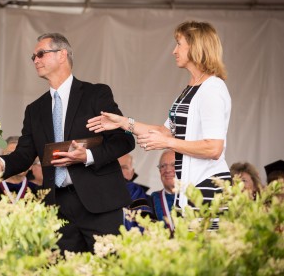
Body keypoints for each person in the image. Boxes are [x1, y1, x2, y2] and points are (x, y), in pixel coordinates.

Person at [0, 33, 134, 253]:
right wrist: (0, 163)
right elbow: (24, 155)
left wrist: (88, 156)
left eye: (41, 54)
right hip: (58, 206)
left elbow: (124, 140)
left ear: (63, 54)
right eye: (33, 57)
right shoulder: (35, 109)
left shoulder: (96, 94)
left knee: (108, 267)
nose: (35, 60)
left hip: (100, 202)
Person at [87, 21, 232, 229]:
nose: (174, 51)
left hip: (207, 186)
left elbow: (213, 148)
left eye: (179, 44)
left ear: (195, 46)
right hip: (189, 189)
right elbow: (164, 131)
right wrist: (123, 122)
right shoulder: (191, 89)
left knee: (206, 258)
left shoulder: (212, 88)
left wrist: (167, 142)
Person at [0, 136, 39, 203]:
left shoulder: (39, 192)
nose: (17, 161)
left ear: (31, 165)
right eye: (10, 155)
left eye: (22, 156)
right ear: (1, 160)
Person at [151, 150, 176, 230]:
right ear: (159, 171)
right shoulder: (152, 200)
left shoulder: (195, 198)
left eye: (174, 165)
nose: (168, 170)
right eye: (163, 166)